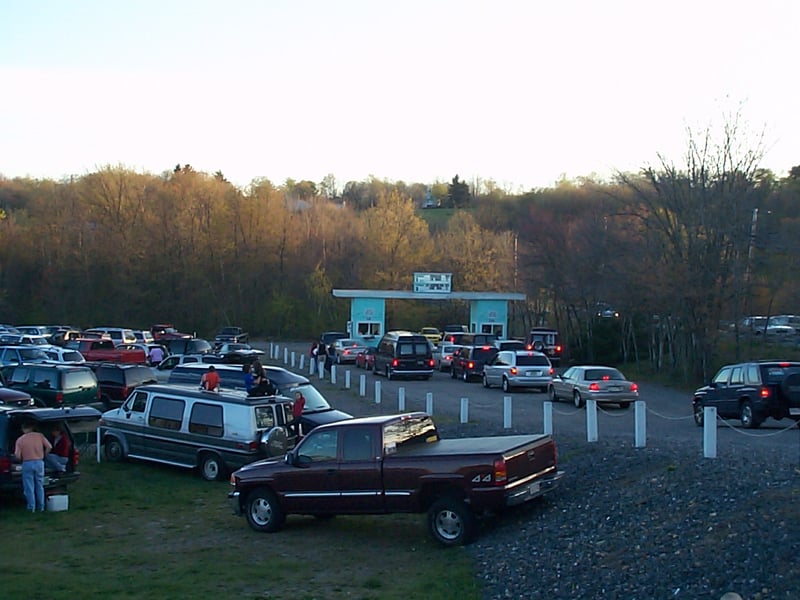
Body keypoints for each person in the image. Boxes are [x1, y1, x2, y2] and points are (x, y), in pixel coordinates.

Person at [14, 420, 52, 512]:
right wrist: (44, 455)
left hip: (27, 462)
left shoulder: (21, 439)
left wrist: (20, 460)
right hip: (39, 462)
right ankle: (41, 507)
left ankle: (31, 507)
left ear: (23, 429)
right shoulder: (40, 436)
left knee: (29, 486)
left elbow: (17, 455)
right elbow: (49, 447)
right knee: (39, 485)